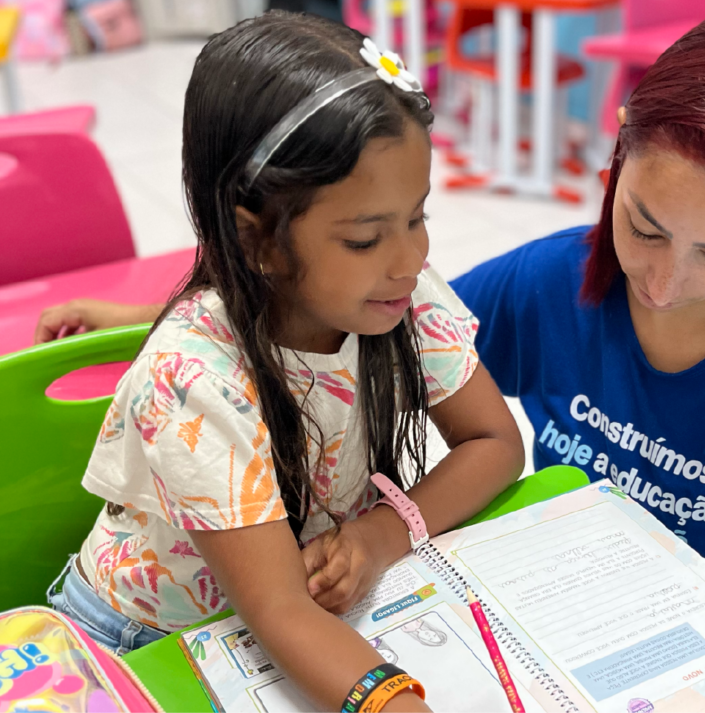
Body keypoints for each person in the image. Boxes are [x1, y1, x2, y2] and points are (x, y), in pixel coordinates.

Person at [37, 11, 705, 711]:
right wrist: (157, 318)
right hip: (168, 635)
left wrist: (385, 531)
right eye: (645, 227)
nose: (662, 285)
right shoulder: (547, 280)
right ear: (619, 154)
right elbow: (256, 316)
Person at [44, 12, 524, 713]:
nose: (411, 258)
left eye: (417, 217)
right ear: (257, 241)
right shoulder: (194, 378)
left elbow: (495, 441)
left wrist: (383, 532)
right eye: (365, 239)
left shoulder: (396, 295)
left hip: (287, 625)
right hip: (147, 644)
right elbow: (279, 610)